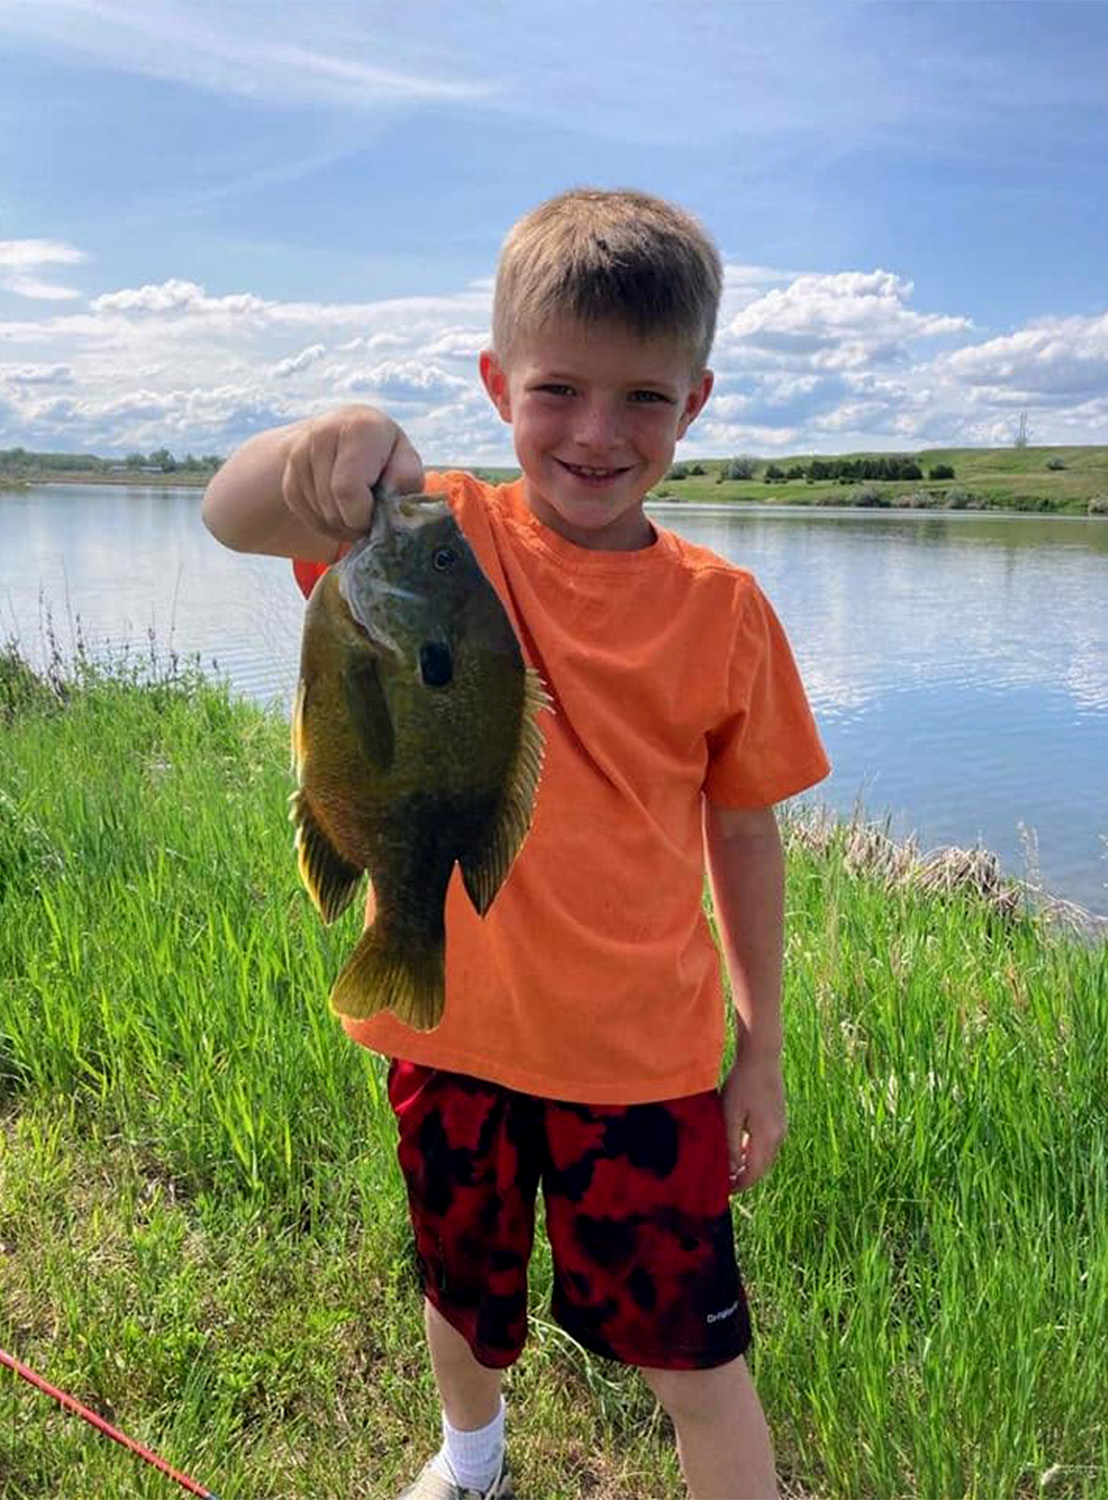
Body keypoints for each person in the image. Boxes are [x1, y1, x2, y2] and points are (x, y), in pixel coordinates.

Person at [202, 188, 829, 1500]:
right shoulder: (435, 534)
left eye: (644, 400)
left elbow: (746, 833)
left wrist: (759, 1043)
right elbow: (233, 514)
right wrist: (332, 438)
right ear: (496, 383)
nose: (598, 434)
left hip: (642, 1063)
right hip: (452, 1035)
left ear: (697, 403)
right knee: (460, 1284)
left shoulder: (727, 613)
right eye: (558, 389)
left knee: (700, 1362)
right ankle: (470, 1455)